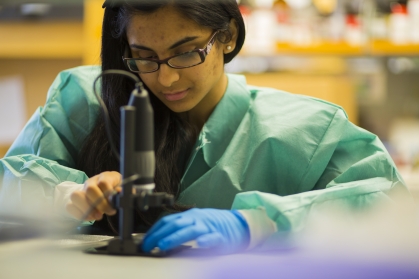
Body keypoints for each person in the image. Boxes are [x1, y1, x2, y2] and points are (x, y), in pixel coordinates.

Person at [0, 0, 408, 254]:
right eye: (144, 57)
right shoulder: (84, 98)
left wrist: (257, 222)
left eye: (186, 53)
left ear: (227, 36)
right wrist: (64, 193)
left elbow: (390, 206)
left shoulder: (307, 130)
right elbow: (9, 182)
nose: (166, 80)